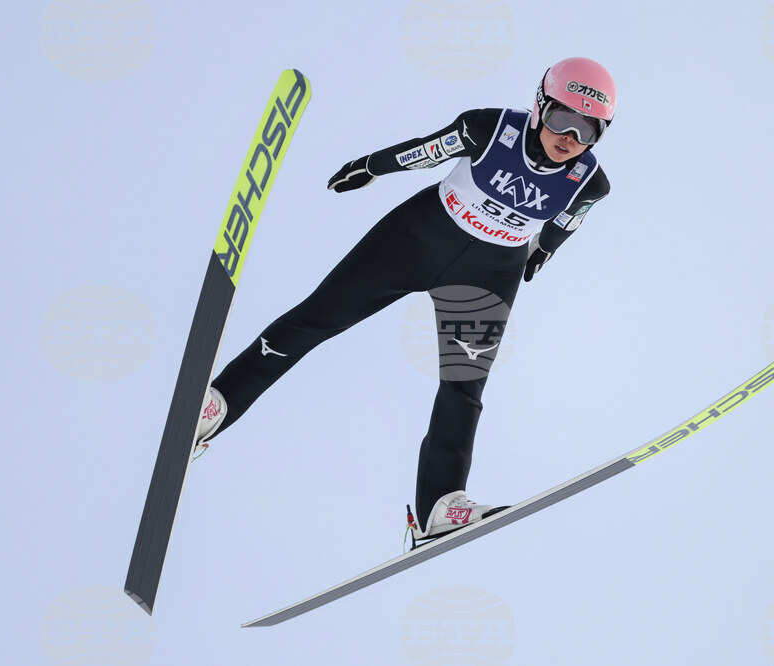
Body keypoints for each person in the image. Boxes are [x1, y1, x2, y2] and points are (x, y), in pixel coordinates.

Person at [194, 57, 616, 540]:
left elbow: (570, 218)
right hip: (419, 237)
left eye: (589, 130)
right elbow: (426, 151)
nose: (572, 138)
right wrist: (370, 167)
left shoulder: (590, 181)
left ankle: (440, 505)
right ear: (540, 106)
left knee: (464, 387)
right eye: (564, 120)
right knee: (317, 317)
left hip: (489, 274)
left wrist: (543, 251)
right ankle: (216, 405)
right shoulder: (489, 126)